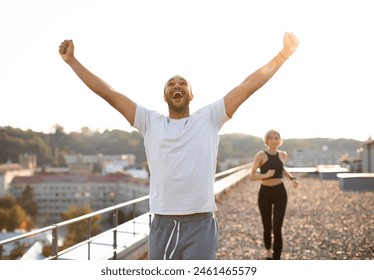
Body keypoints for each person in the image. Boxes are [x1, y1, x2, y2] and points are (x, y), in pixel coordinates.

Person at [58, 32, 299, 260]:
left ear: (191, 94)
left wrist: (283, 54)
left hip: (201, 223)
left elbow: (248, 86)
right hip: (162, 223)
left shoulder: (210, 117)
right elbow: (109, 93)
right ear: (165, 96)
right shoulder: (149, 121)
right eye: (171, 84)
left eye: (182, 83)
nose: (177, 85)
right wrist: (73, 62)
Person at [249, 129, 299, 260]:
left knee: (277, 228)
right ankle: (268, 252)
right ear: (266, 140)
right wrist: (265, 175)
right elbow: (252, 176)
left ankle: (277, 258)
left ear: (279, 140)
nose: (273, 140)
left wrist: (292, 178)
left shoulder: (283, 154)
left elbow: (281, 169)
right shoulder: (260, 155)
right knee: (267, 226)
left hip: (280, 193)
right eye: (271, 138)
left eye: (276, 138)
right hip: (265, 193)